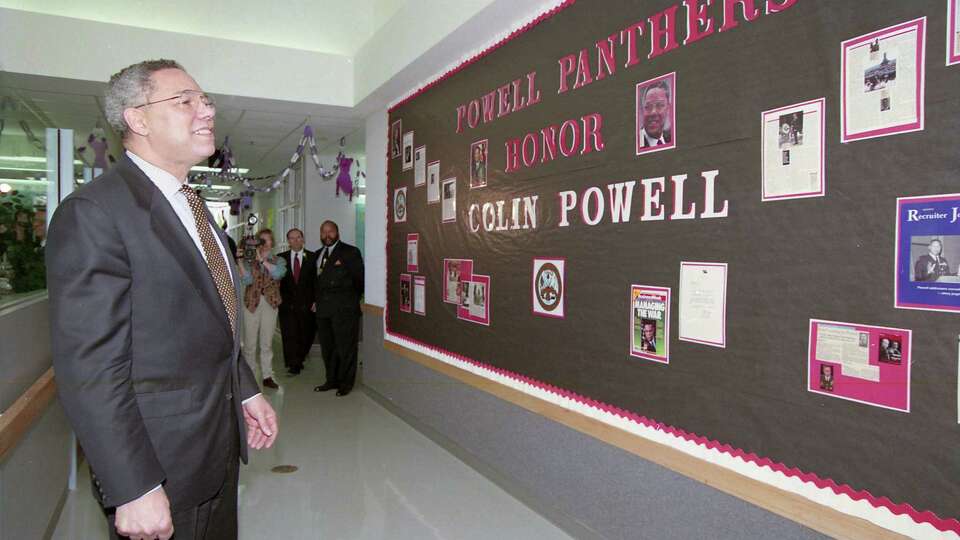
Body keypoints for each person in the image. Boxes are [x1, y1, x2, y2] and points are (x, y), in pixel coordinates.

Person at [46, 59, 277, 540]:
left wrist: (247, 389)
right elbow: (90, 367)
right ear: (138, 118)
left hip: (217, 448)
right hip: (160, 465)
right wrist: (132, 486)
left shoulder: (195, 207)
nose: (206, 111)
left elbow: (211, 318)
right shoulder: (95, 213)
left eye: (206, 100)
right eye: (185, 101)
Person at [313, 220, 364, 397]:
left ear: (337, 232)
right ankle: (331, 380)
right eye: (323, 232)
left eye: (331, 231)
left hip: (345, 310)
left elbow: (359, 281)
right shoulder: (318, 254)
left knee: (345, 348)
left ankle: (346, 384)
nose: (327, 235)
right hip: (324, 311)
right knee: (328, 349)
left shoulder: (350, 252)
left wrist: (350, 302)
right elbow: (316, 283)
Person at [238, 228, 287, 389]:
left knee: (266, 343)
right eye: (262, 240)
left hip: (270, 303)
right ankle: (250, 376)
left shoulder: (278, 260)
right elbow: (247, 280)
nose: (266, 243)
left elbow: (278, 274)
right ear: (258, 243)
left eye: (268, 240)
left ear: (272, 242)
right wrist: (240, 261)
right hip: (251, 303)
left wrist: (262, 261)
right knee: (250, 344)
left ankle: (267, 375)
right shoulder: (248, 259)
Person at [277, 228, 317, 375]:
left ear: (303, 239)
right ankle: (294, 364)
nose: (296, 241)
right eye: (292, 238)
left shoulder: (313, 257)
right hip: (287, 304)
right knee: (289, 334)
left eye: (298, 237)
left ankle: (299, 358)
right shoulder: (281, 258)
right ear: (288, 241)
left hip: (307, 304)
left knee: (307, 334)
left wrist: (315, 300)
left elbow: (316, 281)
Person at [638, 80, 673, 148]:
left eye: (659, 105)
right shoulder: (638, 141)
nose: (653, 112)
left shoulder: (669, 138)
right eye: (648, 106)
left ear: (668, 108)